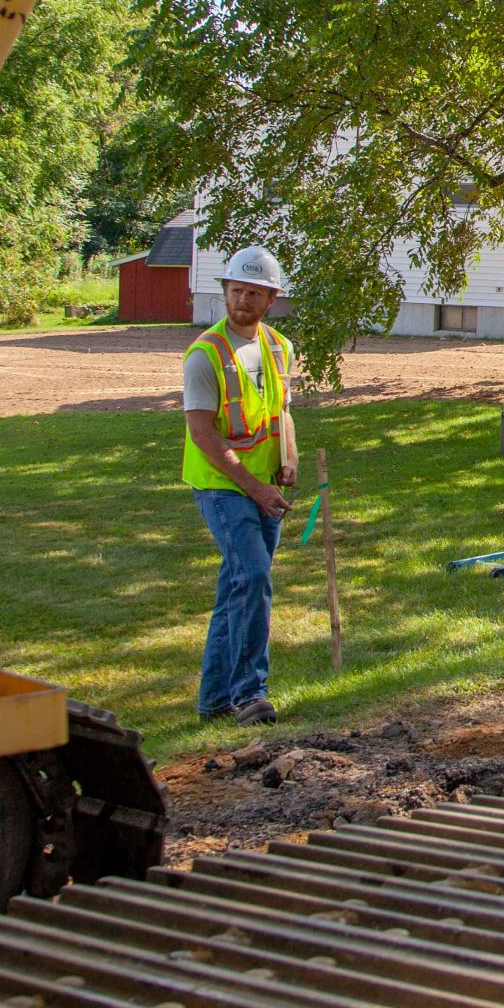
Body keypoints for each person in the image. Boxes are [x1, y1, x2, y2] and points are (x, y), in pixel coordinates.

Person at [182, 245, 299, 724]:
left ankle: (214, 701)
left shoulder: (278, 345)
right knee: (252, 577)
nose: (243, 300)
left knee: (238, 586)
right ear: (224, 291)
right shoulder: (204, 356)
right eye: (236, 291)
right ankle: (251, 694)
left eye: (254, 292)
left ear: (271, 298)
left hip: (264, 484)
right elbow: (202, 432)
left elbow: (281, 410)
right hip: (222, 484)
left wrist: (288, 457)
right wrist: (254, 486)